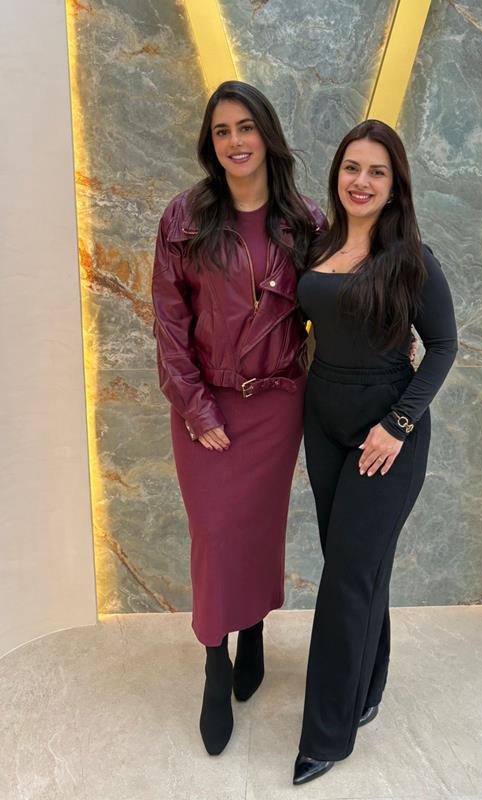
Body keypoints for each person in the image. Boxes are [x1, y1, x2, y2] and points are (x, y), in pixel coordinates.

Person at [151, 81, 326, 756]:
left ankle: (253, 630)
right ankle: (214, 662)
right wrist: (196, 407)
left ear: (266, 134)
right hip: (206, 407)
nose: (234, 141)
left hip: (278, 403)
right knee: (215, 534)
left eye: (245, 126)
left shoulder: (305, 221)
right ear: (211, 142)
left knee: (258, 526)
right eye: (222, 130)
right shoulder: (184, 218)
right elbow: (169, 326)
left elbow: (338, 298)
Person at [293, 120, 458, 785]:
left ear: (395, 185)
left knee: (346, 579)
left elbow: (443, 346)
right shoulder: (318, 243)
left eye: (377, 171)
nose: (361, 181)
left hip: (387, 433)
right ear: (337, 173)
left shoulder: (412, 258)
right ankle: (367, 685)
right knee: (355, 568)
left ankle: (326, 734)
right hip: (323, 421)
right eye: (352, 168)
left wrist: (398, 422)